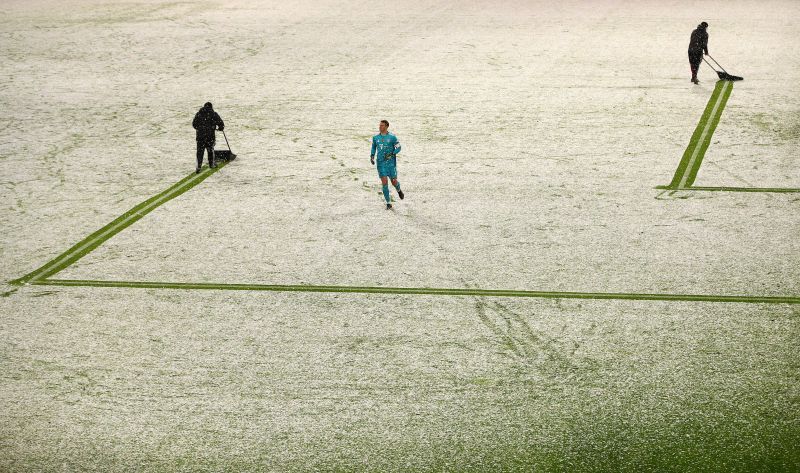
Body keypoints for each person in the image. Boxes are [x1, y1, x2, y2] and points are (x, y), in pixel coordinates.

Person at [370, 120, 404, 209]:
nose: (380, 127)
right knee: (384, 182)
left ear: (386, 126)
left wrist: (392, 153)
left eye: (382, 125)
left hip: (391, 164)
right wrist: (372, 156)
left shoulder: (392, 137)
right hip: (381, 164)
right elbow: (373, 147)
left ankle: (399, 190)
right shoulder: (375, 138)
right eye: (379, 125)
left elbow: (399, 147)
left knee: (393, 181)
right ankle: (388, 203)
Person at [192, 102, 224, 173]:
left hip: (200, 136)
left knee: (200, 152)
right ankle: (211, 164)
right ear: (211, 107)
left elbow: (194, 124)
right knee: (210, 150)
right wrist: (220, 128)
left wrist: (200, 129)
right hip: (210, 136)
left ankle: (198, 166)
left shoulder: (199, 114)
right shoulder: (213, 114)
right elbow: (221, 123)